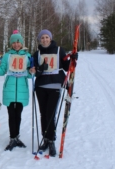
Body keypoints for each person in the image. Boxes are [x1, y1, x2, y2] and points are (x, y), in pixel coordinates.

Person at [33, 29, 78, 157]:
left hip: (55, 85)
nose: (45, 39)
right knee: (43, 113)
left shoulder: (59, 50)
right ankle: (45, 139)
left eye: (47, 37)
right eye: (42, 38)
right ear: (40, 40)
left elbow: (66, 66)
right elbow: (33, 71)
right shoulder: (37, 53)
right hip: (41, 86)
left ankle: (51, 139)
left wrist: (73, 60)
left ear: (50, 38)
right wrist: (39, 69)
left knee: (51, 113)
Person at [0, 30, 36, 151]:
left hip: (22, 89)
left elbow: (29, 75)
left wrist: (32, 72)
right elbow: (1, 71)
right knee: (11, 114)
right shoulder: (7, 56)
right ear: (11, 44)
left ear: (21, 43)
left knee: (18, 115)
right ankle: (12, 138)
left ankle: (17, 137)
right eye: (14, 42)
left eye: (18, 42)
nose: (16, 44)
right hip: (9, 89)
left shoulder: (27, 56)